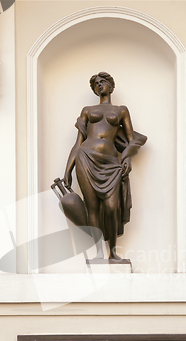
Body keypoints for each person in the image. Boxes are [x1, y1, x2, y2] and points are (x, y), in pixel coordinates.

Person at [64, 72, 147, 262]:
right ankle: (99, 254)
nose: (99, 85)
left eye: (103, 82)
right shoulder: (87, 110)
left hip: (110, 162)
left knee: (111, 207)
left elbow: (131, 140)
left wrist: (127, 159)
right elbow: (78, 143)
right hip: (86, 157)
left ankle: (113, 252)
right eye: (96, 84)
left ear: (111, 86)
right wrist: (67, 170)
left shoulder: (121, 111)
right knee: (92, 207)